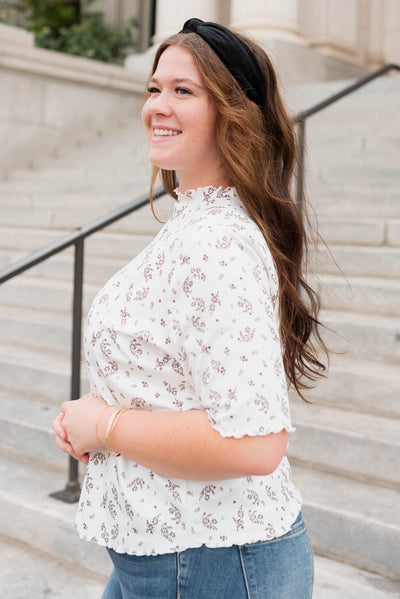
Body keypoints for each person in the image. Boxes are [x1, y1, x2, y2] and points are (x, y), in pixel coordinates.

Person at [53, 17, 327, 599]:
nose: (158, 105)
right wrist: (96, 418)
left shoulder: (219, 243)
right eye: (155, 88)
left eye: (184, 91)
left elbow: (255, 444)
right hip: (163, 553)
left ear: (234, 113)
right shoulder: (194, 221)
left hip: (213, 563)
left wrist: (103, 425)